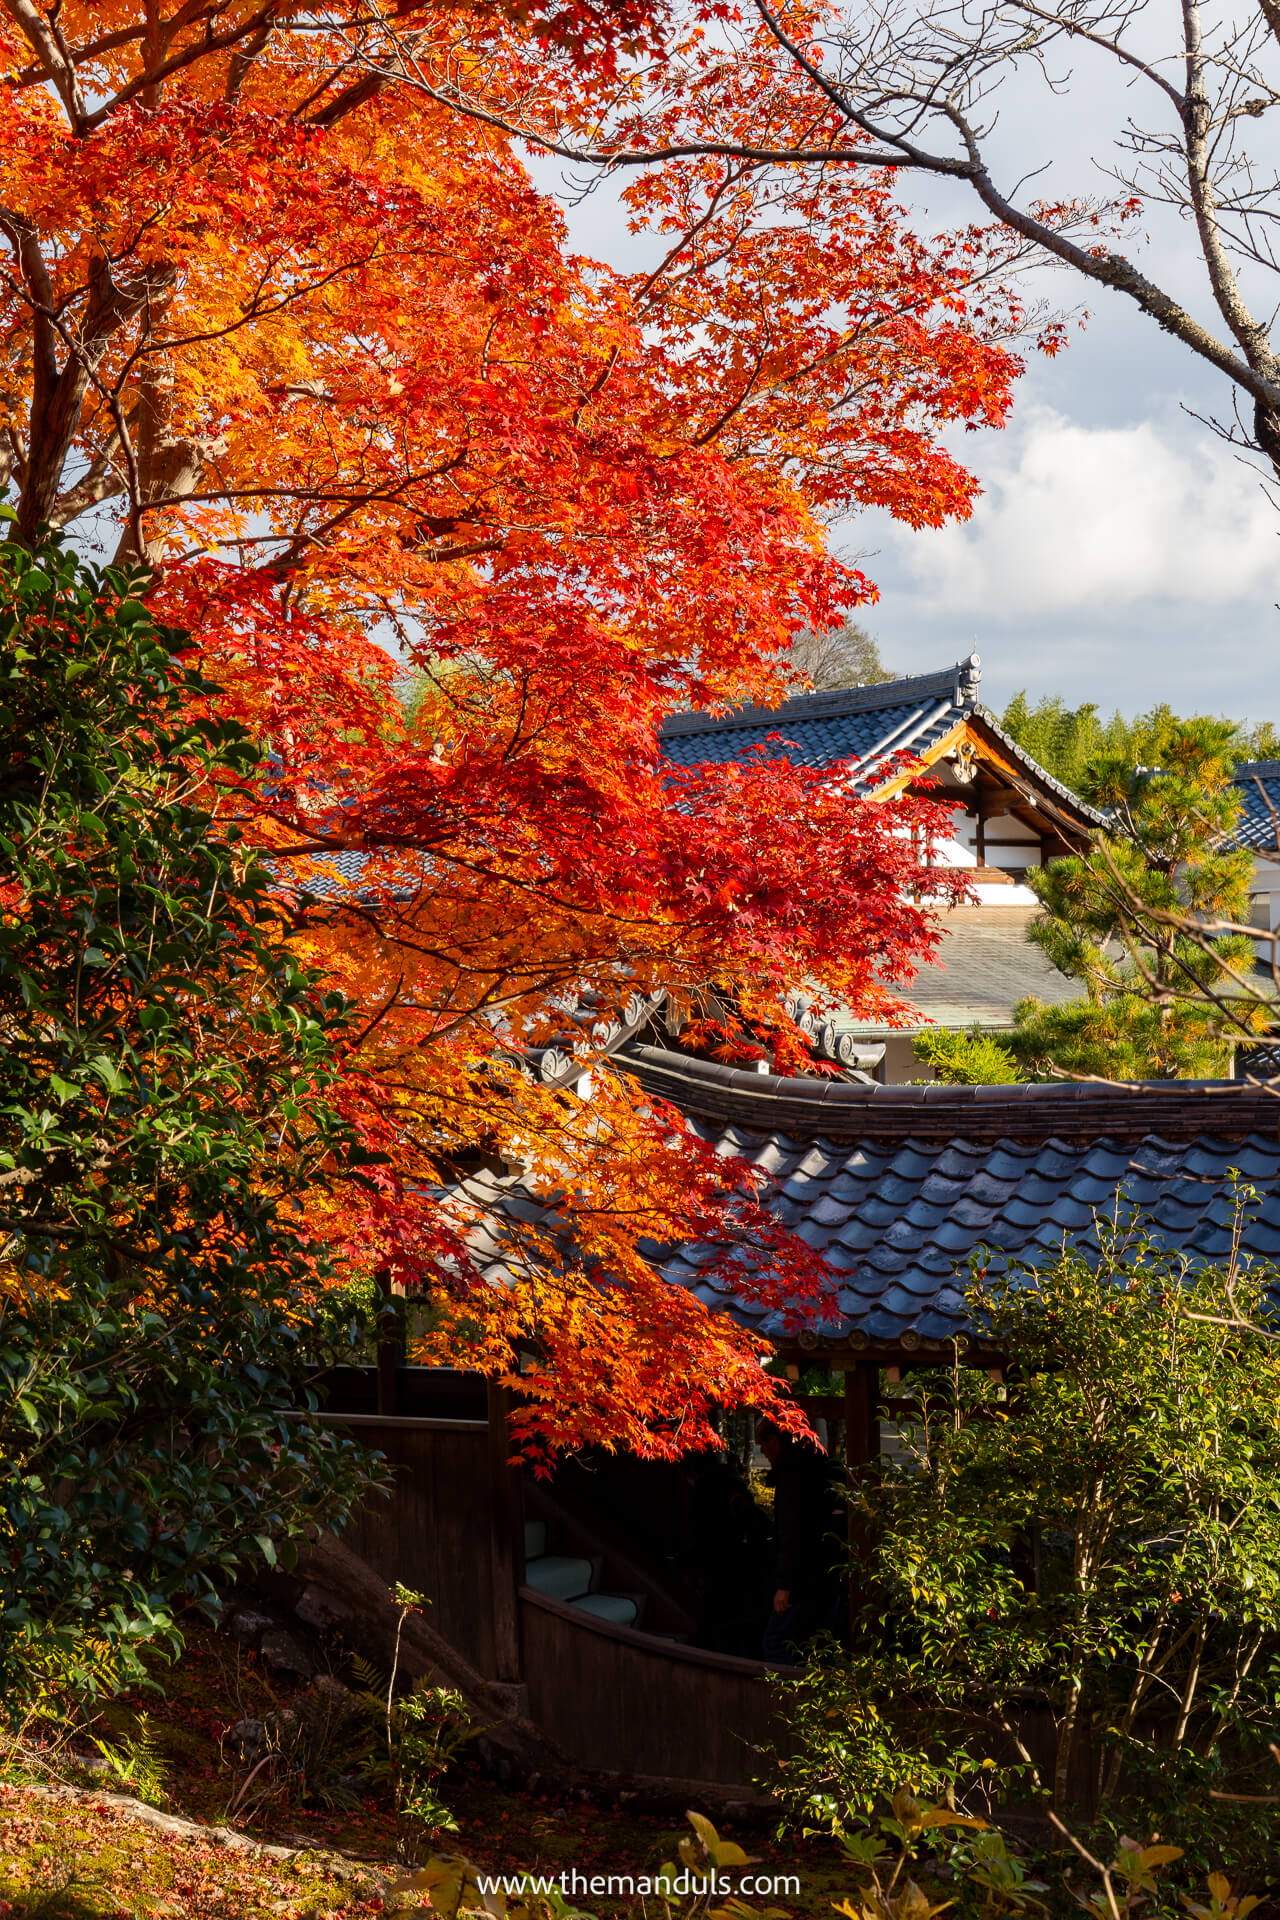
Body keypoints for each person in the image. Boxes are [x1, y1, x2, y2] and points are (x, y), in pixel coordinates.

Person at [757, 1418, 847, 1662]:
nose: (762, 1452)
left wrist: (784, 1587)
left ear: (774, 1441)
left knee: (777, 1643)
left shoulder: (792, 1477)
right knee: (824, 1644)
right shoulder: (816, 1468)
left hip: (804, 1580)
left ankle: (785, 1698)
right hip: (828, 1574)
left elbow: (792, 1533)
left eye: (762, 1445)